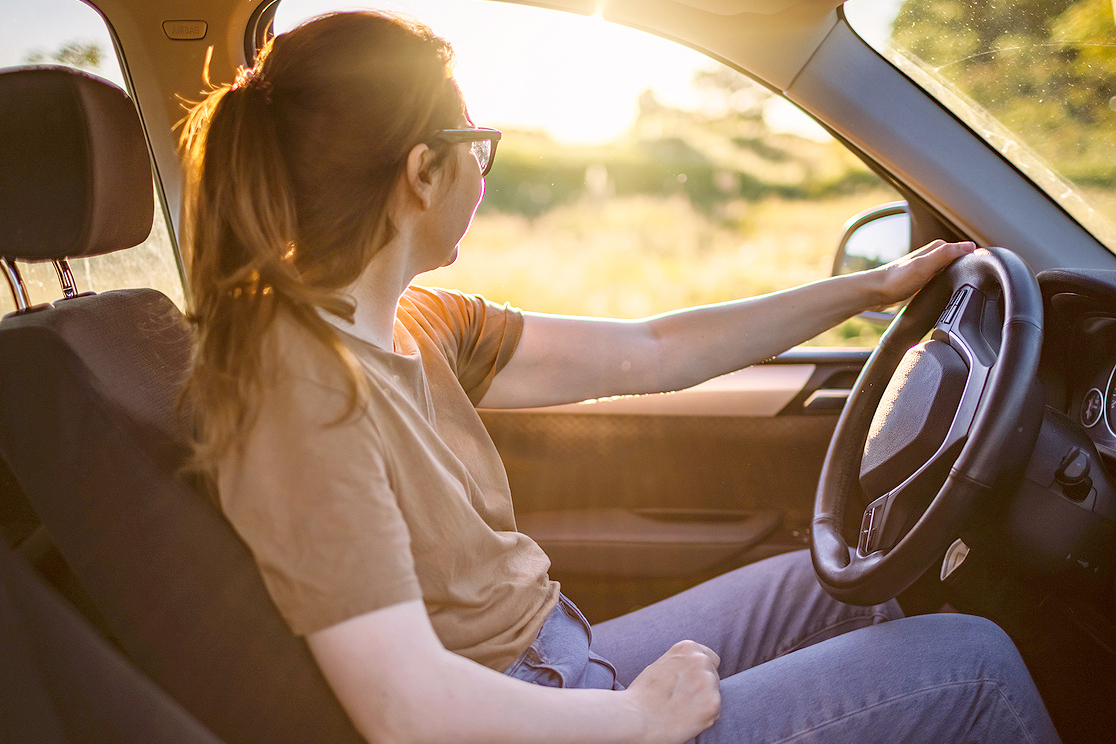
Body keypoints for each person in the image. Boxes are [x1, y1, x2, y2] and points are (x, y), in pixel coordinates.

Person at [180, 11, 1060, 744]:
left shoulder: (420, 322)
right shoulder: (301, 394)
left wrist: (866, 290)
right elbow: (405, 710)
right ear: (421, 172)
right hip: (528, 715)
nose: (483, 180)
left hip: (562, 661)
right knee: (975, 664)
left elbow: (656, 349)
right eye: (476, 151)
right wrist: (636, 719)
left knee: (843, 587)